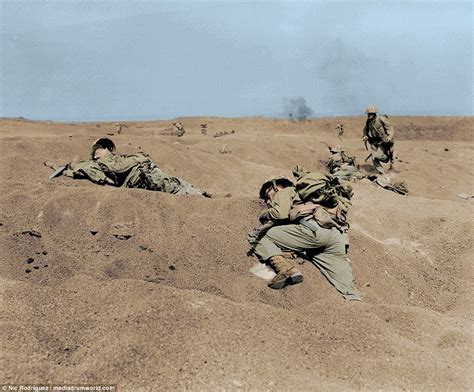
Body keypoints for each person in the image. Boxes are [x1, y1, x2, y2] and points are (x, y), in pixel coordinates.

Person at [248, 175, 361, 301]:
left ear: (276, 187)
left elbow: (280, 214)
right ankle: (354, 301)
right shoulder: (309, 198)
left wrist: (265, 214)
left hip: (312, 231)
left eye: (266, 195)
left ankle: (285, 269)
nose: (267, 201)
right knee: (343, 281)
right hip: (334, 235)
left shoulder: (285, 192)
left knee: (259, 237)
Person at [47, 138, 210, 197]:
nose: (99, 151)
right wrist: (61, 167)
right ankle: (200, 197)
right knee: (174, 188)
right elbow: (80, 173)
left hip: (147, 172)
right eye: (96, 149)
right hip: (142, 178)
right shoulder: (95, 164)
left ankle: (200, 194)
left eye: (101, 148)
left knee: (178, 183)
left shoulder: (109, 159)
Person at [362, 106, 395, 174]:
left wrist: (389, 136)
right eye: (368, 114)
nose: (369, 115)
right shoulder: (368, 121)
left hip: (385, 140)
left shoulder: (380, 118)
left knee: (388, 154)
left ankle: (390, 158)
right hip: (376, 141)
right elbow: (365, 129)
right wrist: (365, 136)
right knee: (374, 157)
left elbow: (390, 128)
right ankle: (381, 172)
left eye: (371, 113)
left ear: (374, 114)